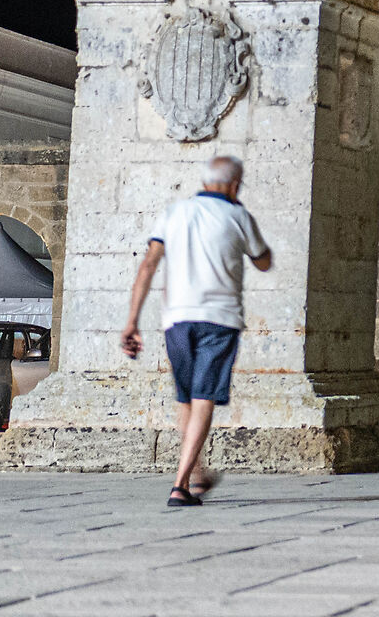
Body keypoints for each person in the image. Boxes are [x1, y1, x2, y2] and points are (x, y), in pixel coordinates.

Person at [122, 154, 272, 507]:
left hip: (176, 319)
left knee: (186, 397)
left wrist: (132, 321)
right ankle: (180, 485)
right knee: (204, 397)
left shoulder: (174, 213)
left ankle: (197, 472)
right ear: (235, 185)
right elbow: (263, 261)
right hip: (219, 319)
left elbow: (148, 265)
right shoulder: (238, 215)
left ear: (205, 182)